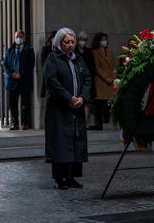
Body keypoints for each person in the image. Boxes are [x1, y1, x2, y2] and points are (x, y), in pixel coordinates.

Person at [43, 28, 91, 190]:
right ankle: (59, 178)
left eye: (72, 42)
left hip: (76, 106)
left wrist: (82, 98)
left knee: (74, 140)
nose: (70, 45)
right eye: (66, 42)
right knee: (60, 142)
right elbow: (52, 81)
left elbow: (87, 79)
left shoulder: (78, 59)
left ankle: (72, 177)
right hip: (59, 107)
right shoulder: (52, 58)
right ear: (59, 43)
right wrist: (69, 98)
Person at [3, 30, 35, 130]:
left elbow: (30, 65)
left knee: (25, 104)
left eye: (20, 36)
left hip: (24, 80)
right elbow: (5, 64)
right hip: (12, 81)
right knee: (13, 104)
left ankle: (25, 123)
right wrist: (11, 74)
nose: (18, 38)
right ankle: (14, 123)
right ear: (14, 37)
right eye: (17, 36)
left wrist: (21, 74)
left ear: (24, 38)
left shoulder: (29, 50)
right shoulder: (10, 50)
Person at [92, 32, 116, 131]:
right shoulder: (95, 52)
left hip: (110, 81)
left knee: (108, 104)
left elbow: (114, 66)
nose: (104, 41)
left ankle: (106, 122)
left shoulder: (110, 52)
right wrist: (106, 78)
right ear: (98, 41)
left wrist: (113, 77)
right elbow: (96, 67)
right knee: (99, 104)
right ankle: (99, 124)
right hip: (101, 81)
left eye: (105, 39)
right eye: (102, 39)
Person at [75, 31, 96, 129]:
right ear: (77, 40)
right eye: (81, 40)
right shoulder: (74, 50)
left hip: (86, 78)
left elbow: (92, 65)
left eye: (84, 40)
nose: (82, 41)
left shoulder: (88, 51)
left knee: (86, 101)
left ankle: (85, 123)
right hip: (77, 77)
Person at [40, 31, 56, 98]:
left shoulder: (62, 49)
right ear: (51, 39)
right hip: (49, 76)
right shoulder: (46, 49)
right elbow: (44, 63)